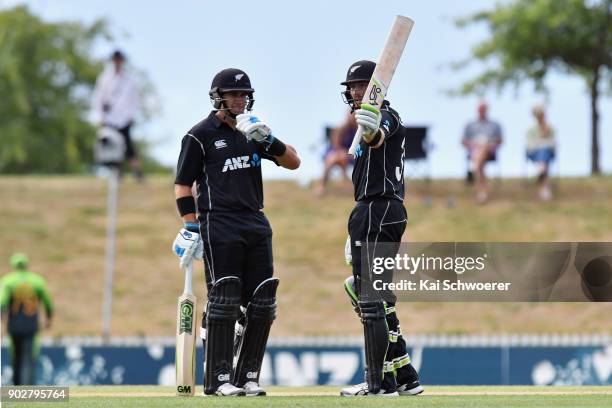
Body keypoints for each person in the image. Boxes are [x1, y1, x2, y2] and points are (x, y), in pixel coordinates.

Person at [172, 68, 300, 396]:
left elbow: (293, 162)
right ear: (219, 97)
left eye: (244, 94)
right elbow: (183, 184)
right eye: (235, 95)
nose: (241, 100)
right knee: (224, 297)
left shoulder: (254, 131)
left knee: (262, 300)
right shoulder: (199, 135)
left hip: (256, 221)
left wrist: (268, 140)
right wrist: (190, 224)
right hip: (219, 222)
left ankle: (248, 376)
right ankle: (217, 379)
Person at [338, 60, 423, 397]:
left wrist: (371, 128)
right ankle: (404, 374)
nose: (357, 91)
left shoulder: (387, 115)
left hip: (379, 208)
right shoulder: (361, 123)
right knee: (380, 299)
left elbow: (378, 133)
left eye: (363, 85)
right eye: (353, 86)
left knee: (369, 297)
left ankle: (379, 383)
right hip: (376, 211)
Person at [0, 253, 53, 385]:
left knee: (15, 357)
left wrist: (1, 320)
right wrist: (49, 318)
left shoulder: (8, 281)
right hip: (31, 325)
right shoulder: (37, 280)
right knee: (28, 358)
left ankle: (17, 389)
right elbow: (48, 302)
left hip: (14, 325)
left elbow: (2, 303)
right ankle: (28, 390)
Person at [92, 49, 143, 180]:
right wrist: (101, 116)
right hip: (109, 118)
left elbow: (134, 99)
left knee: (128, 146)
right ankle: (117, 173)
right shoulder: (104, 78)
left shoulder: (129, 79)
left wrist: (131, 115)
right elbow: (99, 98)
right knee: (112, 146)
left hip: (124, 118)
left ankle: (137, 172)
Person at [462, 101, 503, 203]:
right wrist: (473, 144)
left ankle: (473, 169)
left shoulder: (495, 124)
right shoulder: (470, 125)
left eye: (483, 109)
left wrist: (490, 144)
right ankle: (482, 194)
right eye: (480, 109)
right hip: (474, 150)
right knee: (480, 163)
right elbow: (463, 141)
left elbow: (500, 140)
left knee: (484, 147)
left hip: (490, 150)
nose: (482, 111)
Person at [316, 112, 357, 196]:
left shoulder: (358, 130)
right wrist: (344, 153)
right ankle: (322, 186)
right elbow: (336, 146)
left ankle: (348, 186)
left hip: (350, 156)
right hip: (336, 154)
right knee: (332, 160)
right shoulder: (340, 129)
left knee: (343, 159)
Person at [526, 105, 556, 201]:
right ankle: (545, 189)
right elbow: (529, 145)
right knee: (543, 154)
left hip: (548, 153)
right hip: (534, 153)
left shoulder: (550, 128)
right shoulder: (531, 129)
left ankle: (541, 171)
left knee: (544, 152)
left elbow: (554, 144)